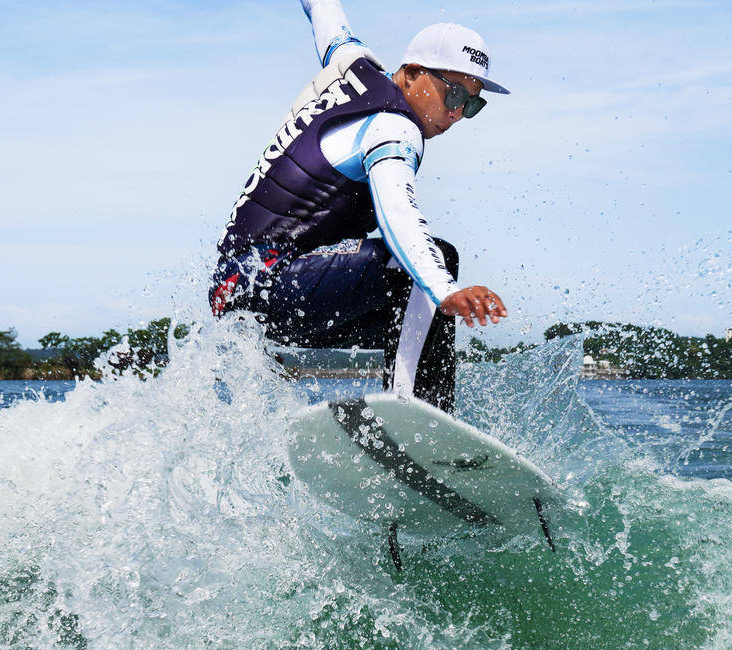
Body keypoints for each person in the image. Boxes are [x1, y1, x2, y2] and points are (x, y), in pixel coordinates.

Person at [209, 0, 510, 413]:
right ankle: (412, 416)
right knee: (433, 264)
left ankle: (410, 417)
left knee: (423, 318)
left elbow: (325, 13)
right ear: (414, 72)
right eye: (454, 93)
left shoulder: (352, 63)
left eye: (472, 104)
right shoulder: (394, 127)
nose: (457, 113)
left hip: (237, 291)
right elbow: (398, 217)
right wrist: (444, 289)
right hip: (272, 289)